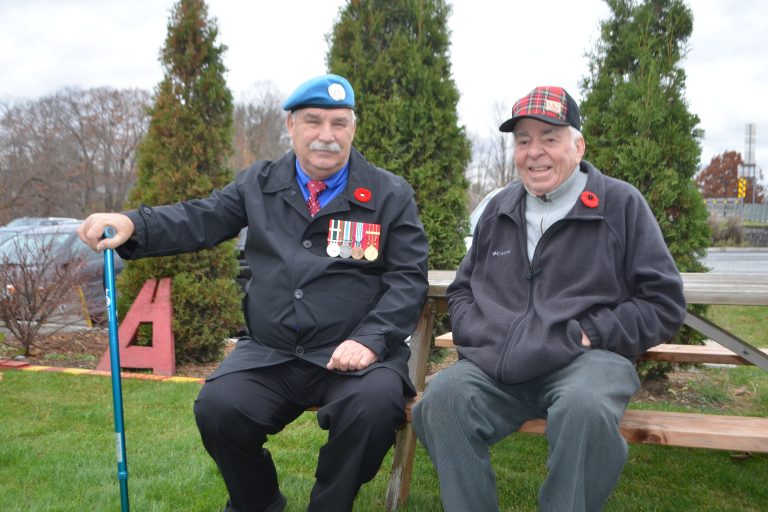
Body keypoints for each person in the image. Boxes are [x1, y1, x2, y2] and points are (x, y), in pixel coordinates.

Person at [78, 74, 429, 512]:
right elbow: (201, 218)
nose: (327, 134)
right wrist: (135, 223)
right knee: (218, 409)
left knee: (375, 408)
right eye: (313, 121)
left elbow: (408, 278)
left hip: (352, 356)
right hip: (272, 352)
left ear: (353, 128)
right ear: (291, 125)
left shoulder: (388, 194)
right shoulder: (259, 183)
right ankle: (260, 503)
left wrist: (371, 340)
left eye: (339, 123)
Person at [412, 86, 686, 512]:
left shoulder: (619, 204)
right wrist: (479, 332)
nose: (534, 152)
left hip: (585, 361)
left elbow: (663, 302)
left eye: (550, 138)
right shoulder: (499, 208)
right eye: (523, 141)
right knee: (440, 401)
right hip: (498, 366)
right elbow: (463, 289)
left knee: (585, 409)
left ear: (578, 147)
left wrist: (591, 332)